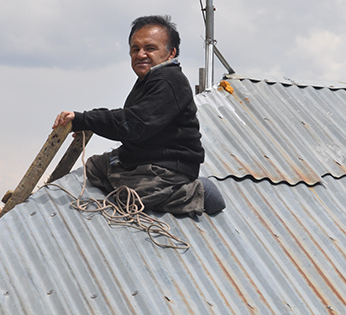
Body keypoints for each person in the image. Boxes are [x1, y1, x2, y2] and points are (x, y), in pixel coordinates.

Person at [53, 15, 225, 216]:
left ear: (171, 53)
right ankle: (130, 179)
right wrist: (85, 121)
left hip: (168, 168)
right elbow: (128, 116)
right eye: (135, 49)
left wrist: (85, 119)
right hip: (140, 159)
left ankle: (196, 193)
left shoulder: (170, 81)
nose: (140, 54)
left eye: (150, 48)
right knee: (94, 167)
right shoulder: (150, 79)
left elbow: (134, 124)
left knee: (131, 200)